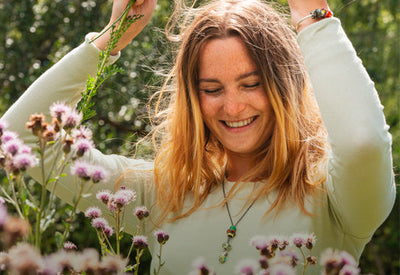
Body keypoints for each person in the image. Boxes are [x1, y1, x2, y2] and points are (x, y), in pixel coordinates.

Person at [2, 0, 395, 274]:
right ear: (193, 99)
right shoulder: (160, 194)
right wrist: (112, 38)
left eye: (251, 83)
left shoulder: (337, 198)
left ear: (285, 85)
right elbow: (18, 138)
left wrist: (313, 15)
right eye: (212, 89)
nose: (233, 107)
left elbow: (364, 142)